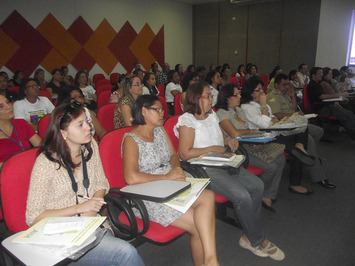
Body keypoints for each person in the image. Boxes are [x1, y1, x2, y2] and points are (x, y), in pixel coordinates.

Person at [175, 82, 285, 261]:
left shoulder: (211, 115)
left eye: (211, 95)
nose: (212, 99)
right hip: (203, 168)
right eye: (207, 96)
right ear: (196, 98)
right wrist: (214, 148)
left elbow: (223, 137)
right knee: (242, 195)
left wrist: (229, 141)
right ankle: (258, 239)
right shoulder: (188, 121)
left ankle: (248, 235)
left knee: (257, 185)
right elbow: (185, 153)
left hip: (222, 160)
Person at [26, 102, 144, 266]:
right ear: (63, 132)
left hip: (91, 226)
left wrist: (93, 205)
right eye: (80, 125)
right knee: (126, 253)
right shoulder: (46, 162)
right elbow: (33, 217)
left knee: (118, 254)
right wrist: (81, 208)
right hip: (61, 237)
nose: (88, 127)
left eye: (87, 122)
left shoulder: (90, 147)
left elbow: (101, 182)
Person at [123, 95, 219, 266]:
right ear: (143, 111)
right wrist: (167, 177)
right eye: (157, 110)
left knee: (209, 196)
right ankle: (209, 262)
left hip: (170, 182)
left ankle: (211, 260)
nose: (162, 113)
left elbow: (174, 155)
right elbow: (131, 177)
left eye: (162, 110)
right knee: (198, 225)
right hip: (147, 194)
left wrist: (177, 170)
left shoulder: (159, 130)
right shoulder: (131, 139)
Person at [215, 83, 286, 212]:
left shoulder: (239, 110)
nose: (240, 96)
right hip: (237, 150)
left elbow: (245, 131)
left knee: (281, 159)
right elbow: (235, 133)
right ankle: (259, 195)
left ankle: (268, 194)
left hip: (248, 144)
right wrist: (252, 132)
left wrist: (253, 137)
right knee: (272, 167)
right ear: (227, 98)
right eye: (236, 94)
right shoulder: (222, 113)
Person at [241, 76, 316, 195]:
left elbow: (273, 117)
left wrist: (276, 120)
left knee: (302, 129)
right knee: (295, 152)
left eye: (262, 89)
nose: (262, 92)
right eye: (258, 90)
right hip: (266, 137)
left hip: (277, 131)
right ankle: (295, 183)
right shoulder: (247, 107)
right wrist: (264, 105)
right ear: (250, 92)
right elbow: (265, 123)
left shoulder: (258, 104)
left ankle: (300, 147)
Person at [267, 74, 336, 189]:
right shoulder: (273, 96)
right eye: (284, 84)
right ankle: (319, 176)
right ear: (276, 85)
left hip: (296, 122)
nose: (286, 87)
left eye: (287, 84)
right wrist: (294, 114)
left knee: (318, 131)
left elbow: (294, 109)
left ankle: (305, 156)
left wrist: (293, 97)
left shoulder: (286, 94)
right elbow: (277, 115)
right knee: (309, 141)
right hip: (286, 126)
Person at [307, 67, 355, 140]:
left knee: (350, 113)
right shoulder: (312, 85)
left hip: (326, 105)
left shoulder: (318, 84)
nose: (321, 75)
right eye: (319, 73)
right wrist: (338, 96)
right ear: (313, 75)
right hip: (321, 108)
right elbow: (322, 96)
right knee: (347, 115)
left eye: (322, 73)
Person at [0, 95, 41, 167]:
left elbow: (41, 147)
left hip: (29, 167)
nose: (8, 107)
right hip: (5, 173)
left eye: (8, 102)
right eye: (1, 106)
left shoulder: (21, 123)